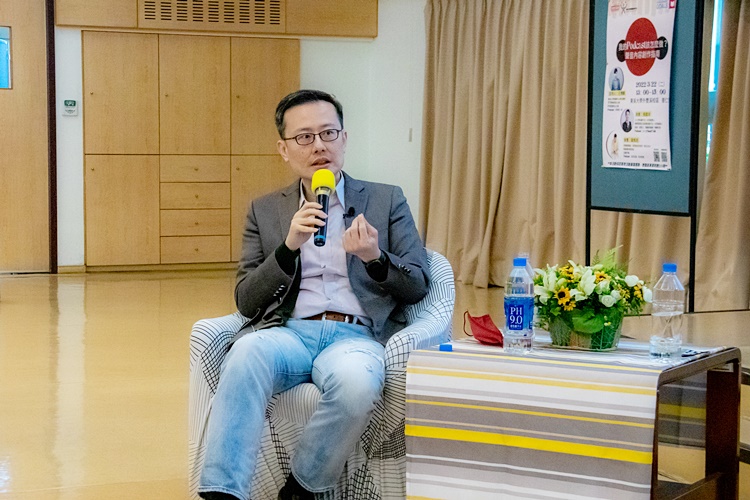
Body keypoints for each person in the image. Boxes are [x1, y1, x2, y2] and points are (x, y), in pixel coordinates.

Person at [198, 89, 430, 500]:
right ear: (284, 150)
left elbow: (417, 285)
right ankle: (223, 493)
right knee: (245, 355)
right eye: (304, 137)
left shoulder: (386, 199)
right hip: (289, 333)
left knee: (356, 384)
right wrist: (287, 248)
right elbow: (246, 301)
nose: (319, 145)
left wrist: (375, 258)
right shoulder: (265, 210)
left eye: (328, 133)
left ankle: (301, 489)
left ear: (344, 139)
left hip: (356, 336)